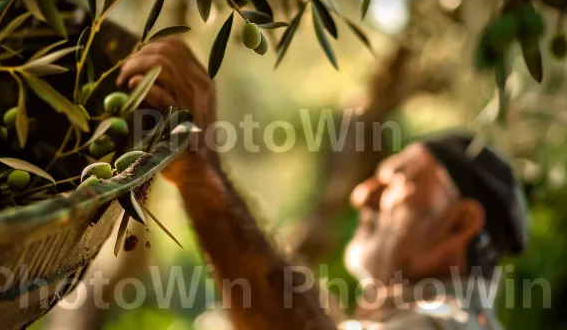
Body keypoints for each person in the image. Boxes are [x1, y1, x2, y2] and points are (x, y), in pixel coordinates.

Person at [112, 38, 528, 330]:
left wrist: (205, 174)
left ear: (459, 224)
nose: (362, 193)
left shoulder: (450, 324)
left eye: (398, 180)